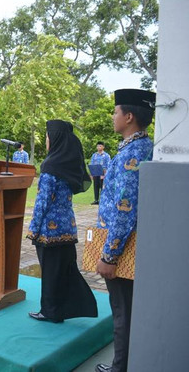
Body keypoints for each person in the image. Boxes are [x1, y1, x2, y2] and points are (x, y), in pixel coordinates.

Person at [95, 89, 155, 372]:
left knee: (122, 310)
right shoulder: (143, 147)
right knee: (129, 309)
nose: (113, 116)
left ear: (129, 117)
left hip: (122, 245)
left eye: (116, 111)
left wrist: (109, 256)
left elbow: (125, 210)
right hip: (133, 242)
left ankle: (121, 367)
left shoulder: (132, 153)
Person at [26, 119, 96, 323]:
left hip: (49, 231)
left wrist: (33, 229)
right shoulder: (69, 163)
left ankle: (50, 311)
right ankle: (63, 309)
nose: (46, 140)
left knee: (50, 272)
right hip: (68, 227)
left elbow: (43, 201)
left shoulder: (50, 165)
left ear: (55, 138)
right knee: (64, 269)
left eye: (48, 136)